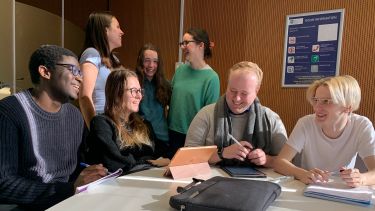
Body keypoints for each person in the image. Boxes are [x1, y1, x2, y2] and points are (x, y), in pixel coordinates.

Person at [0, 45, 107, 210]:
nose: (80, 78)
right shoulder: (9, 112)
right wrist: (67, 189)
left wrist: (93, 174)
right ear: (45, 72)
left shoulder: (75, 115)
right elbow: (4, 184)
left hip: (68, 201)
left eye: (80, 72)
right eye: (73, 70)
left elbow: (77, 167)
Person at [274, 75, 375, 187]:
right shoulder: (305, 123)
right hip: (309, 187)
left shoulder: (362, 125)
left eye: (326, 101)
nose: (317, 108)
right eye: (316, 100)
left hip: (343, 191)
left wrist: (361, 179)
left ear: (348, 107)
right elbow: (280, 162)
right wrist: (302, 174)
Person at [185, 61, 287, 167]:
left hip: (258, 182)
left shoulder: (271, 119)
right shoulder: (206, 115)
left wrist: (267, 160)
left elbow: (287, 162)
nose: (237, 99)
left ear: (257, 90)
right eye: (233, 90)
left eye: (244, 93)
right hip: (214, 181)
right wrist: (222, 153)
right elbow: (187, 157)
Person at [86, 67, 170, 173]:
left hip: (150, 179)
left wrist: (169, 159)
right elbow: (115, 164)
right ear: (116, 94)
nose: (139, 96)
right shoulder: (101, 123)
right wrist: (152, 163)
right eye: (134, 91)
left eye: (140, 91)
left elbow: (163, 154)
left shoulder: (145, 125)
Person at [168, 28, 220, 156]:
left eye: (186, 43)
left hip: (193, 139)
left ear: (201, 45)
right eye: (182, 43)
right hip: (171, 134)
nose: (183, 47)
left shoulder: (212, 78)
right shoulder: (180, 70)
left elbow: (210, 117)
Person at [79, 11, 124, 127]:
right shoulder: (92, 53)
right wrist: (96, 130)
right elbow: (84, 96)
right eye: (118, 27)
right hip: (101, 122)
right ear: (106, 30)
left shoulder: (114, 59)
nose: (122, 32)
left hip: (115, 122)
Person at [135, 43, 171, 146]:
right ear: (140, 61)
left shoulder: (165, 85)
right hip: (141, 139)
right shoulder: (132, 82)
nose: (151, 65)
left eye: (155, 61)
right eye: (147, 61)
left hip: (163, 139)